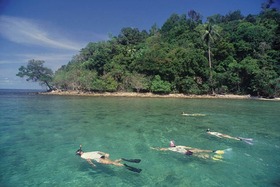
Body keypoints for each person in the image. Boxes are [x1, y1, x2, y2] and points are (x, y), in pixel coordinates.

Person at [76, 145, 142, 173]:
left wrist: (92, 164)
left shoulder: (83, 156)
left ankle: (125, 166)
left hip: (100, 159)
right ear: (81, 152)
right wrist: (105, 153)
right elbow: (98, 151)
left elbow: (88, 159)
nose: (81, 151)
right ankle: (122, 159)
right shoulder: (86, 152)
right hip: (101, 156)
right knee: (113, 161)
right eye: (80, 151)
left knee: (113, 163)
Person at [151, 140, 224, 160]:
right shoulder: (180, 145)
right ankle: (215, 151)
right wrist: (195, 149)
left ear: (171, 145)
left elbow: (161, 149)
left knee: (199, 156)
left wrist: (153, 148)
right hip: (188, 150)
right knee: (201, 150)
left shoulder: (169, 149)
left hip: (186, 153)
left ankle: (213, 158)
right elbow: (189, 147)